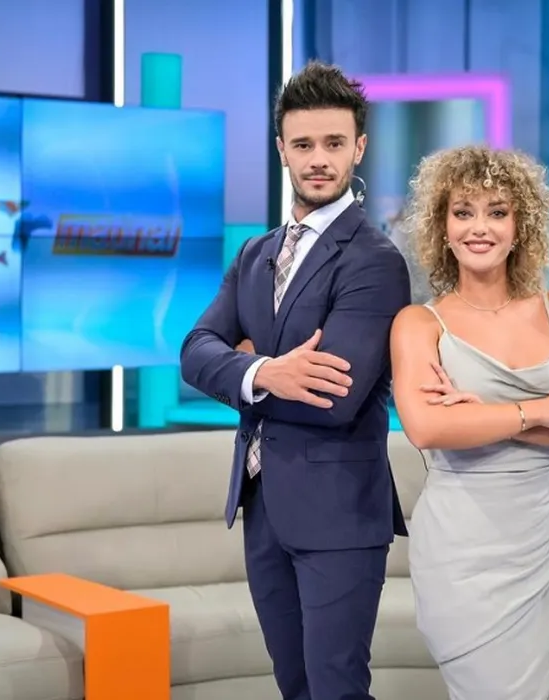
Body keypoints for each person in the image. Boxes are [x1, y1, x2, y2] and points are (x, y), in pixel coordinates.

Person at [180, 60, 412, 700]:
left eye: (334, 143)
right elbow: (194, 352)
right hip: (262, 506)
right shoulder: (255, 254)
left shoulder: (374, 261)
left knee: (336, 689)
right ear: (281, 148)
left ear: (358, 148)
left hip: (339, 513)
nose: (318, 159)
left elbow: (335, 397)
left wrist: (245, 370)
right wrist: (268, 371)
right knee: (294, 686)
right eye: (303, 144)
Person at [389, 145, 549, 700]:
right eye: (463, 212)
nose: (479, 228)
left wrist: (479, 416)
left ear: (521, 226)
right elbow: (426, 429)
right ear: (442, 227)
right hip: (461, 547)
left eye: (497, 212)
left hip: (545, 540)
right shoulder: (419, 323)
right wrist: (539, 410)